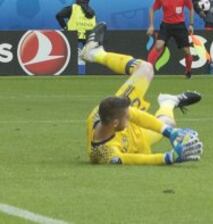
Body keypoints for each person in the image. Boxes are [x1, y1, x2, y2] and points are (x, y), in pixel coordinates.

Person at [80, 23, 204, 165]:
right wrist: (169, 157)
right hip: (140, 141)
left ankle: (95, 53)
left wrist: (169, 133)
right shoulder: (104, 153)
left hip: (119, 117)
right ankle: (169, 102)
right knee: (169, 122)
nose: (130, 115)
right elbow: (134, 159)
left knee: (145, 68)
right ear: (115, 123)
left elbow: (135, 115)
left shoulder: (102, 112)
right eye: (128, 116)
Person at [147, 0, 195, 79]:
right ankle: (147, 71)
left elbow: (191, 8)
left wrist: (191, 24)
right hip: (166, 25)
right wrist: (151, 25)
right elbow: (152, 9)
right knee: (158, 46)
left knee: (187, 51)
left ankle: (188, 70)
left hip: (180, 26)